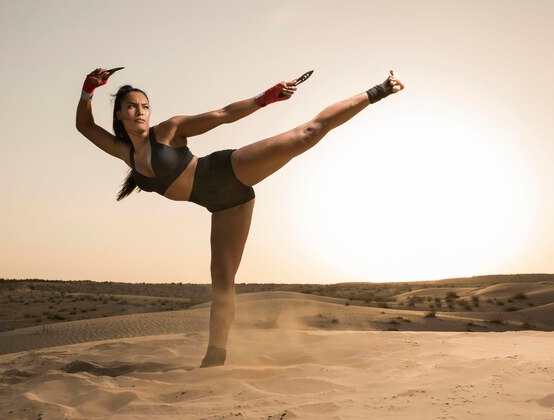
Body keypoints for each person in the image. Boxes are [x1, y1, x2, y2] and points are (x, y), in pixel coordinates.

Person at [75, 68, 405, 367]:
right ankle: (215, 356)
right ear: (119, 113)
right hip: (223, 206)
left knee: (307, 134)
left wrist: (263, 99)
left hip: (228, 171)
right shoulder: (124, 152)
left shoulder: (168, 130)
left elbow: (222, 115)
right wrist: (88, 90)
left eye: (145, 106)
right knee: (222, 284)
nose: (140, 112)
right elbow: (85, 125)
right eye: (132, 106)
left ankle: (378, 90)